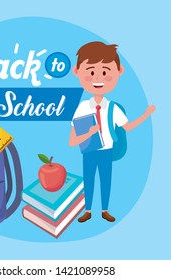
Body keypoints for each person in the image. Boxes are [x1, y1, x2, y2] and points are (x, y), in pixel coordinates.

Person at [69, 41, 155, 222]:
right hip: (89, 152)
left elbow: (128, 127)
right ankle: (88, 210)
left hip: (107, 152)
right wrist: (90, 132)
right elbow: (72, 141)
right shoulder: (82, 109)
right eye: (91, 72)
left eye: (105, 72)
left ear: (119, 71)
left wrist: (146, 115)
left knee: (106, 181)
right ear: (78, 72)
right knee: (89, 182)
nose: (97, 78)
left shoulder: (113, 108)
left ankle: (105, 210)